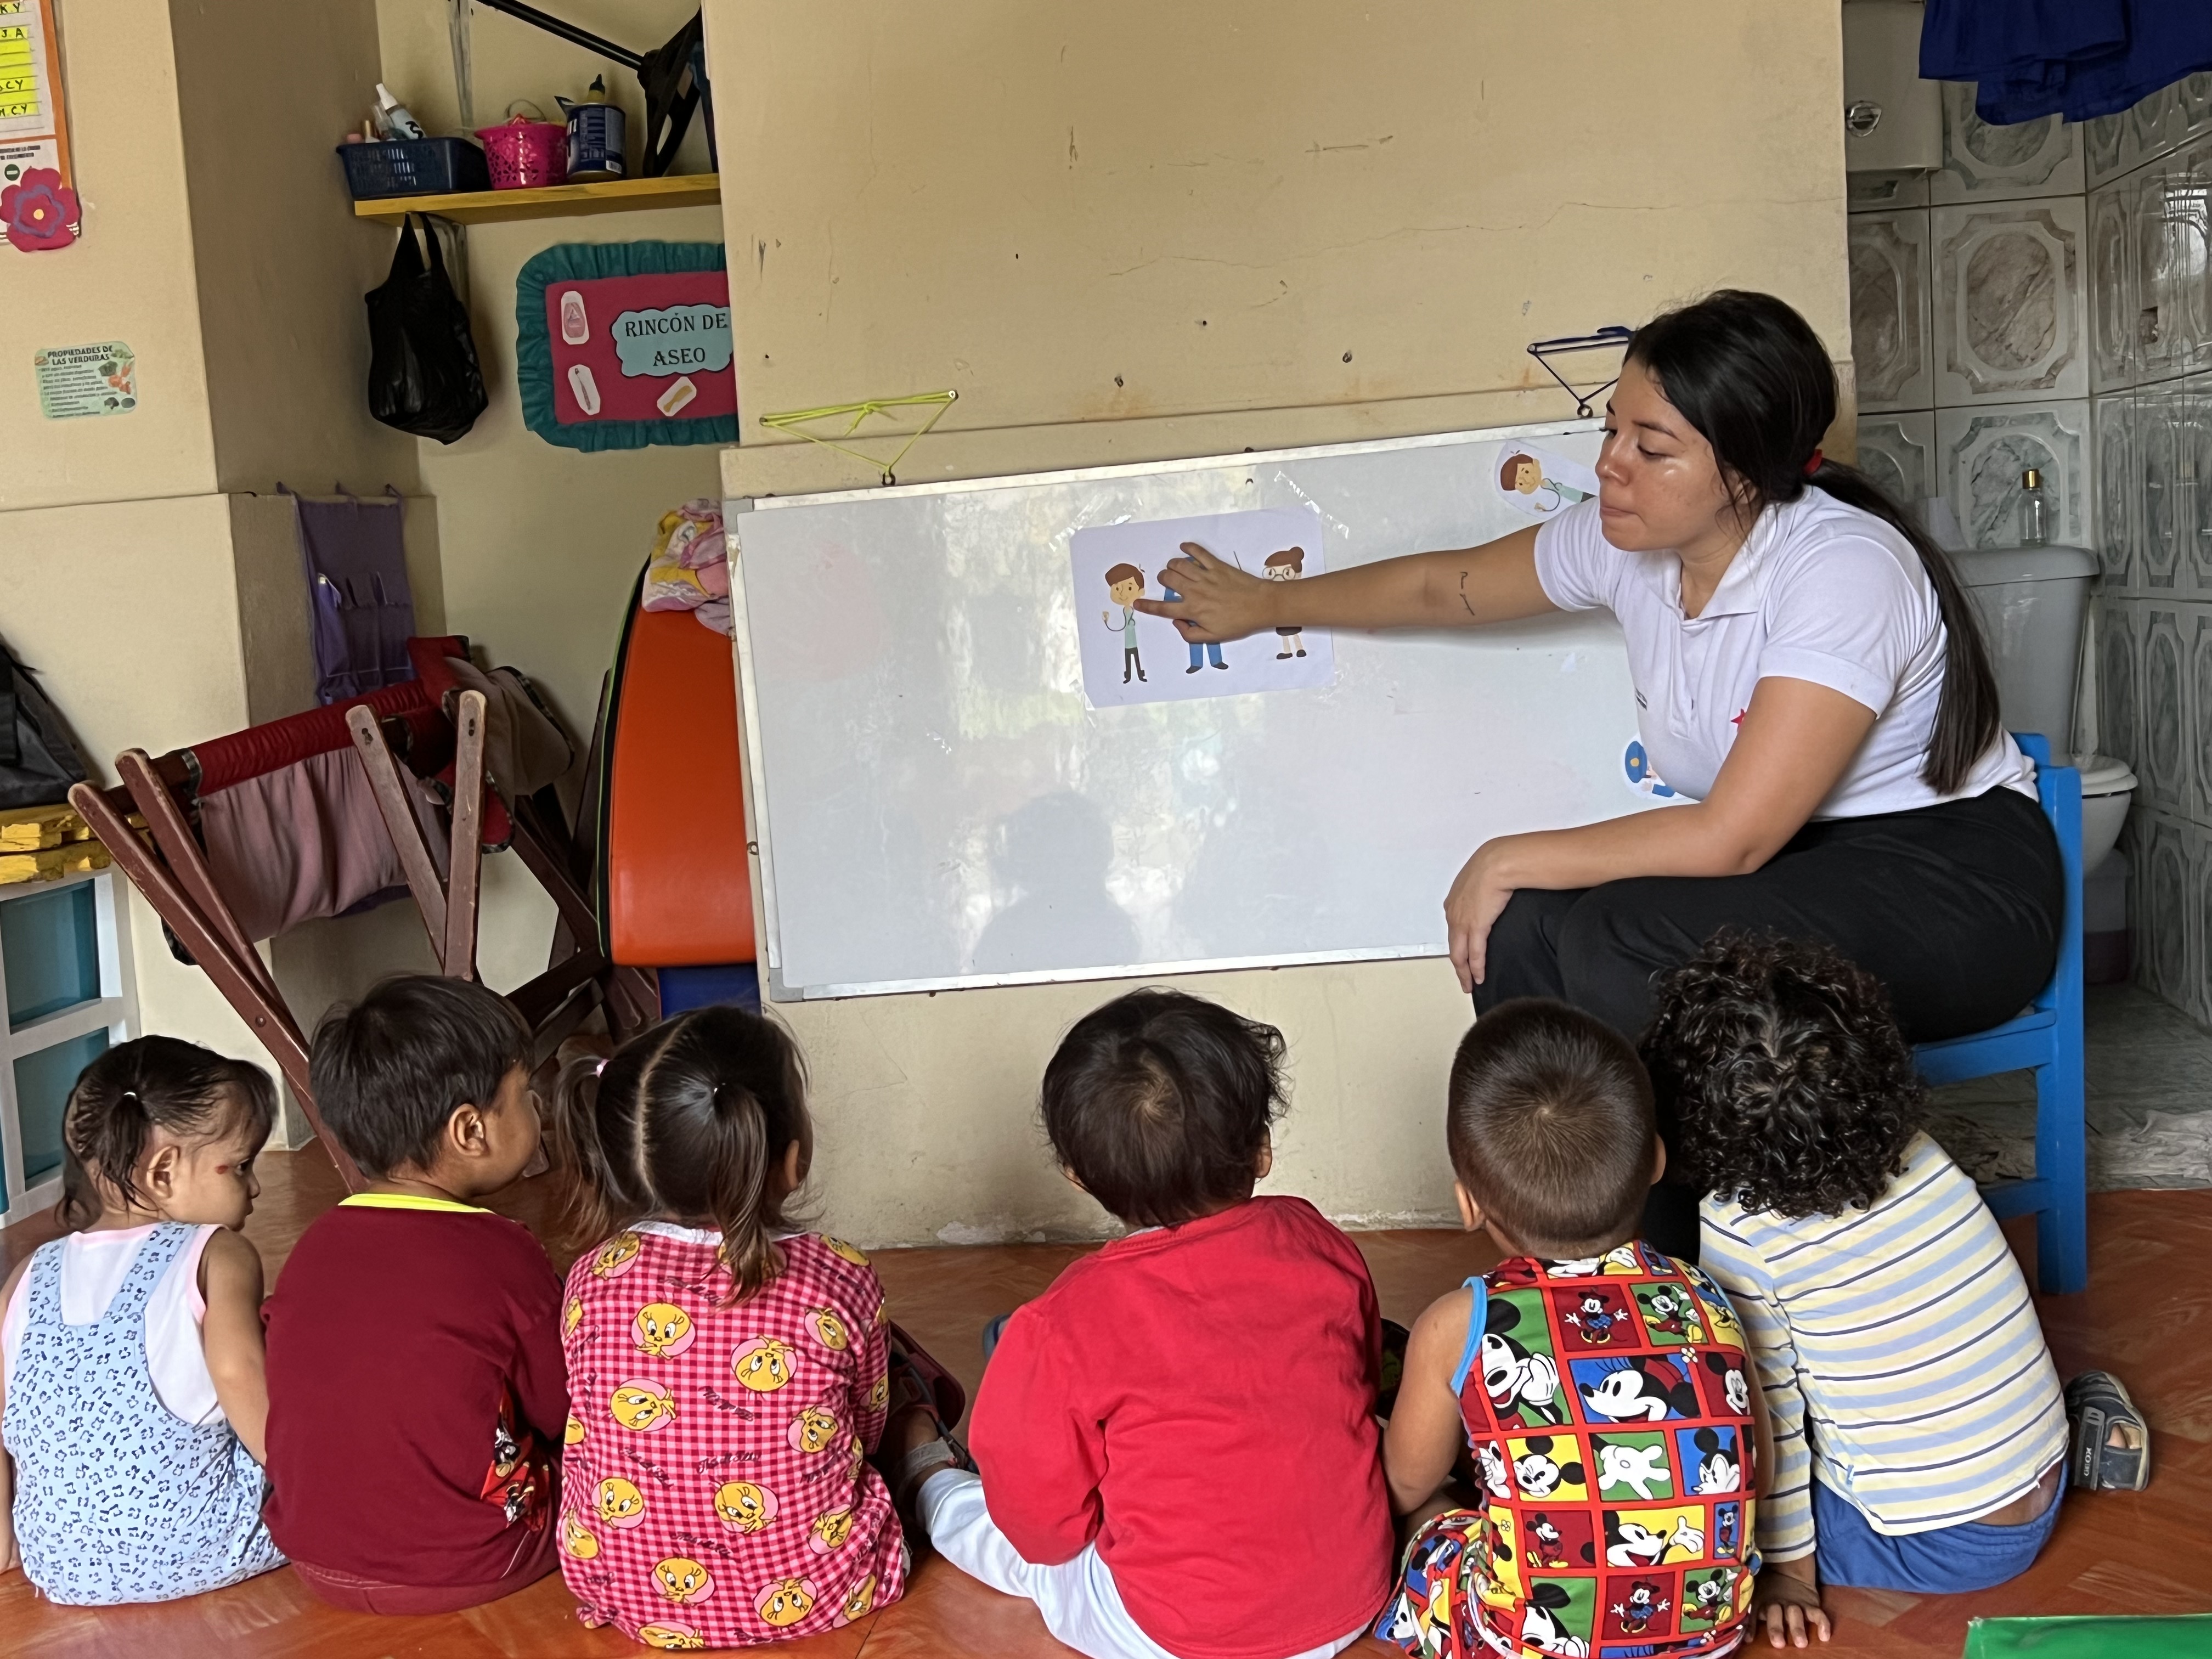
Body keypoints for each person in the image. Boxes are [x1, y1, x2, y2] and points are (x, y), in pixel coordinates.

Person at [1139, 290, 2061, 1254]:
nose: (1609, 465)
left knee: (1616, 935)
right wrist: (1267, 603)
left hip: (1952, 888)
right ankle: (1564, 1244)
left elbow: (1734, 835)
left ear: (1745, 470)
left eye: (1651, 448)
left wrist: (1502, 852)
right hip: (1795, 869)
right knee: (1526, 923)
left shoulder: (1841, 567)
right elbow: (1444, 587)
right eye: (1611, 428)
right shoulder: (1631, 545)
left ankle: (1665, 1271)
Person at [897, 988, 1393, 1659]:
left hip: (1171, 1633)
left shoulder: (1066, 1319)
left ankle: (927, 1479)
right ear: (1262, 1150)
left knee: (1020, 1553)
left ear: (1077, 1175)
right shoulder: (1317, 1240)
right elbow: (1359, 1380)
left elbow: (1043, 1534)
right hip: (1350, 1601)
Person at [1643, 935, 2068, 1646]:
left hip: (1944, 1543)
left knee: (1701, 1505)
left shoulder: (1741, 1230)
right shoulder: (1916, 1148)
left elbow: (1772, 1415)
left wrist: (1790, 1573)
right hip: (2041, 1482)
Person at [1376, 999, 1762, 1659]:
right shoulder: (1705, 1296)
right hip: (1707, 1634)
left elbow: (1403, 1484)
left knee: (1430, 1513)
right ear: (1657, 1160)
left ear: (1469, 1204)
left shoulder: (1459, 1323)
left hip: (1525, 1646)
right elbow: (1757, 1470)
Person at [553, 1005, 928, 1647]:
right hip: (831, 1589)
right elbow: (865, 1427)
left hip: (627, 1591)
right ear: (790, 1158)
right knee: (906, 1379)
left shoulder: (590, 1278)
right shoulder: (841, 1274)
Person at [263, 976, 563, 1615]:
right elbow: (565, 1408)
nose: (539, 1110)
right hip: (473, 1560)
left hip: (314, 1557)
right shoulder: (503, 1253)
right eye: (526, 1095)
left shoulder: (313, 1246)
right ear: (470, 1131)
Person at [0, 1037, 286, 1604]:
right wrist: (311, 1486)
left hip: (58, 1567)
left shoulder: (28, 1276)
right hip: (209, 1546)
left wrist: (6, 1540)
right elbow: (240, 1376)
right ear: (163, 1173)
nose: (254, 1186)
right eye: (241, 1166)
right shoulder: (217, 1254)